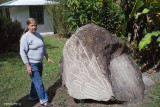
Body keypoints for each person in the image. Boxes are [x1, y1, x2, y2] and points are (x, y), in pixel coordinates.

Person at [20, 18, 54, 107]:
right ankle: (44, 101)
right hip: (32, 63)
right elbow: (22, 52)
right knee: (39, 83)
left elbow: (43, 46)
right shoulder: (25, 37)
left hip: (39, 63)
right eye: (32, 25)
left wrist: (47, 57)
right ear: (28, 26)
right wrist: (28, 66)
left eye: (35, 25)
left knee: (35, 81)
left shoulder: (38, 35)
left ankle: (32, 96)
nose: (34, 27)